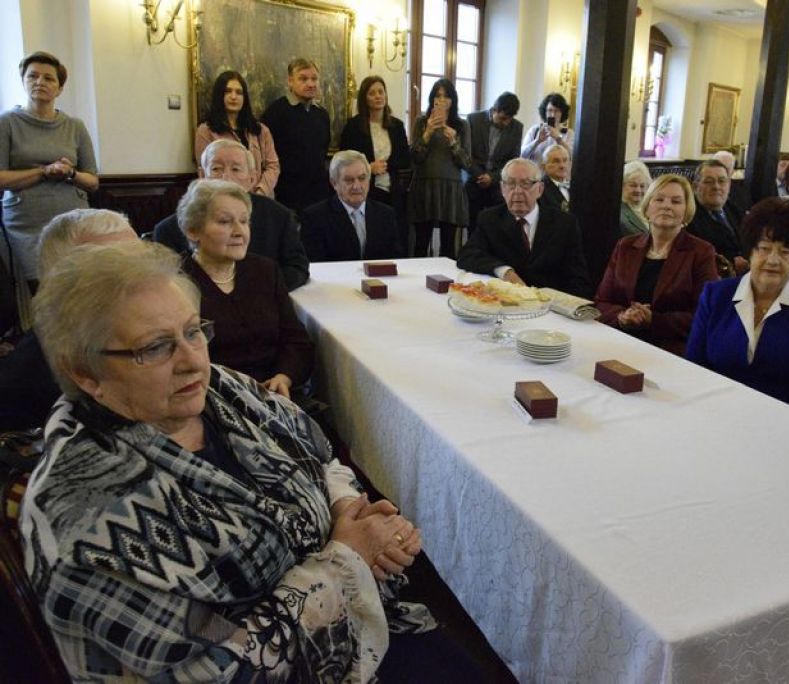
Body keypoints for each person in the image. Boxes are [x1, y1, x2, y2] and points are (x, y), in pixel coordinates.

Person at [22, 239, 485, 681]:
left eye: (193, 331)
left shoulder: (221, 389)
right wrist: (349, 559)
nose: (193, 361)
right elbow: (219, 672)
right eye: (156, 347)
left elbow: (319, 454)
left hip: (355, 621)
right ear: (85, 373)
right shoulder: (87, 524)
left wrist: (348, 509)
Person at [0, 209, 137, 431]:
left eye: (141, 258)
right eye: (115, 265)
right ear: (63, 281)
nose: (142, 274)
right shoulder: (29, 380)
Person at [177, 179, 313, 399]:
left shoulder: (265, 271)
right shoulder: (176, 282)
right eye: (225, 222)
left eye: (244, 221)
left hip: (273, 395)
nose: (239, 231)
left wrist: (284, 377)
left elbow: (296, 341)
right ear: (193, 230)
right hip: (210, 399)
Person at [687, 197, 789, 403]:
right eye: (764, 248)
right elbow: (694, 366)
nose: (773, 260)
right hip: (715, 408)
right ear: (750, 252)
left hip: (786, 416)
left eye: (785, 252)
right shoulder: (716, 295)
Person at [0, 51, 98, 313]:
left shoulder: (75, 126)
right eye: (32, 76)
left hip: (72, 222)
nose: (39, 82)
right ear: (23, 81)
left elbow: (92, 181)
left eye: (48, 78)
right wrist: (44, 171)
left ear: (60, 88)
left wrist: (70, 173)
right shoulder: (7, 122)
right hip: (26, 224)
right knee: (45, 299)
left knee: (79, 295)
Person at [153, 139, 309, 291]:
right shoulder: (171, 229)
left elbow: (297, 267)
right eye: (216, 169)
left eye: (236, 169)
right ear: (202, 175)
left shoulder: (279, 217)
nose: (225, 177)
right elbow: (167, 283)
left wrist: (256, 290)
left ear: (252, 178)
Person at [595, 174, 718, 354]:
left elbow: (705, 315)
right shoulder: (625, 246)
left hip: (672, 349)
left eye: (676, 201)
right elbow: (601, 302)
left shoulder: (701, 252)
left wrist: (654, 319)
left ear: (686, 210)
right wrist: (623, 316)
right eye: (659, 199)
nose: (666, 206)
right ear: (647, 207)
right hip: (620, 341)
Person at [457, 158, 590, 297]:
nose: (517, 191)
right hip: (506, 301)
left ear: (540, 189)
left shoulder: (564, 223)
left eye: (526, 184)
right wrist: (504, 271)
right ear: (502, 189)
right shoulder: (490, 218)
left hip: (549, 304)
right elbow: (467, 255)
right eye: (510, 184)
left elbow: (578, 279)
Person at [338, 75, 411, 251]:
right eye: (372, 93)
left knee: (393, 239)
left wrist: (386, 166)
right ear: (365, 98)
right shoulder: (354, 126)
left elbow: (405, 158)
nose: (378, 96)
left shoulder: (397, 126)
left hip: (393, 191)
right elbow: (345, 159)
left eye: (381, 92)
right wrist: (369, 167)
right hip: (365, 191)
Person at [408, 78, 473, 258]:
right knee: (421, 244)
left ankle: (447, 277)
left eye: (446, 96)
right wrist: (427, 133)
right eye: (438, 96)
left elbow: (466, 163)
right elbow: (414, 158)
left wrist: (453, 142)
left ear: (453, 100)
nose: (442, 100)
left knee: (448, 247)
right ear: (432, 99)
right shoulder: (421, 122)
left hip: (450, 189)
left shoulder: (462, 125)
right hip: (424, 187)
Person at [300, 150, 402, 262]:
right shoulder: (315, 217)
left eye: (362, 178)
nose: (356, 186)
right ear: (334, 183)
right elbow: (315, 264)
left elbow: (396, 261)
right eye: (349, 180)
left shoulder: (386, 214)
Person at [194, 70, 280, 197]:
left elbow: (273, 165)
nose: (234, 97)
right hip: (223, 198)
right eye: (228, 91)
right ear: (219, 95)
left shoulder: (261, 130)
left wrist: (260, 191)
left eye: (239, 92)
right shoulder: (206, 130)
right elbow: (206, 169)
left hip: (261, 198)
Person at [261, 57, 331, 212]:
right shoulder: (275, 113)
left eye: (314, 79)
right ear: (290, 82)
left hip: (318, 195)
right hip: (287, 196)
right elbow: (267, 156)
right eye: (303, 79)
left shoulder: (322, 114)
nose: (310, 84)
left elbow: (323, 151)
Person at [464, 92, 524, 232]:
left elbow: (512, 161)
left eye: (509, 119)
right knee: (473, 224)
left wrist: (492, 178)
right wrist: (480, 175)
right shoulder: (474, 120)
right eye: (503, 118)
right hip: (474, 178)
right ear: (494, 110)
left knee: (498, 224)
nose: (506, 123)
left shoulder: (517, 128)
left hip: (497, 182)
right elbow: (466, 154)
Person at [688, 160, 746, 274]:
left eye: (722, 181)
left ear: (729, 185)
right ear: (695, 187)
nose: (716, 186)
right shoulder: (689, 216)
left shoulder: (734, 209)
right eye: (709, 182)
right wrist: (731, 262)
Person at [520, 92, 574, 164]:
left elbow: (572, 157)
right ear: (545, 112)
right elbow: (522, 155)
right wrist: (537, 141)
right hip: (536, 170)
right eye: (550, 110)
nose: (553, 115)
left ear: (562, 113)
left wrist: (558, 139)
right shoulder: (534, 130)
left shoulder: (568, 133)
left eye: (556, 111)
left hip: (558, 171)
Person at [620, 160, 651, 236]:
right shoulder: (620, 215)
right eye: (633, 185)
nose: (638, 190)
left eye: (642, 186)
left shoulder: (651, 208)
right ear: (622, 186)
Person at [538, 144, 571, 213]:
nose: (562, 166)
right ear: (543, 166)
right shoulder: (539, 189)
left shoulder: (577, 186)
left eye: (565, 160)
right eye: (556, 161)